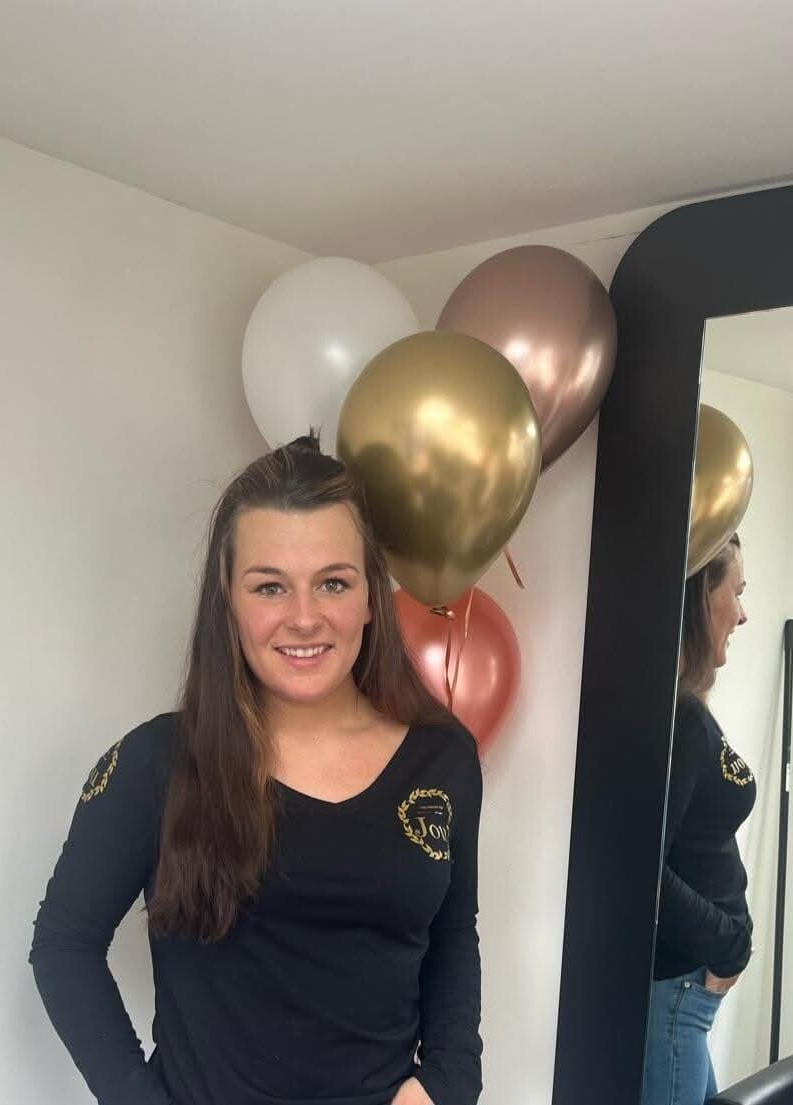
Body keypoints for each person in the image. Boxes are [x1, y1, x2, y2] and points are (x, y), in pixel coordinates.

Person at [29, 434, 484, 1105]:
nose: (304, 618)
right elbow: (64, 944)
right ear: (229, 600)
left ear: (371, 595)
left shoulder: (442, 759)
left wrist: (447, 1081)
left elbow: (452, 932)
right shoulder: (156, 763)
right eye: (270, 586)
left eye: (333, 582)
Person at [642, 533, 755, 1105]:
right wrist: (729, 941)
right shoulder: (679, 718)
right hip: (677, 993)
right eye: (737, 591)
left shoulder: (688, 712)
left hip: (687, 999)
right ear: (700, 596)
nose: (742, 613)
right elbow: (641, 867)